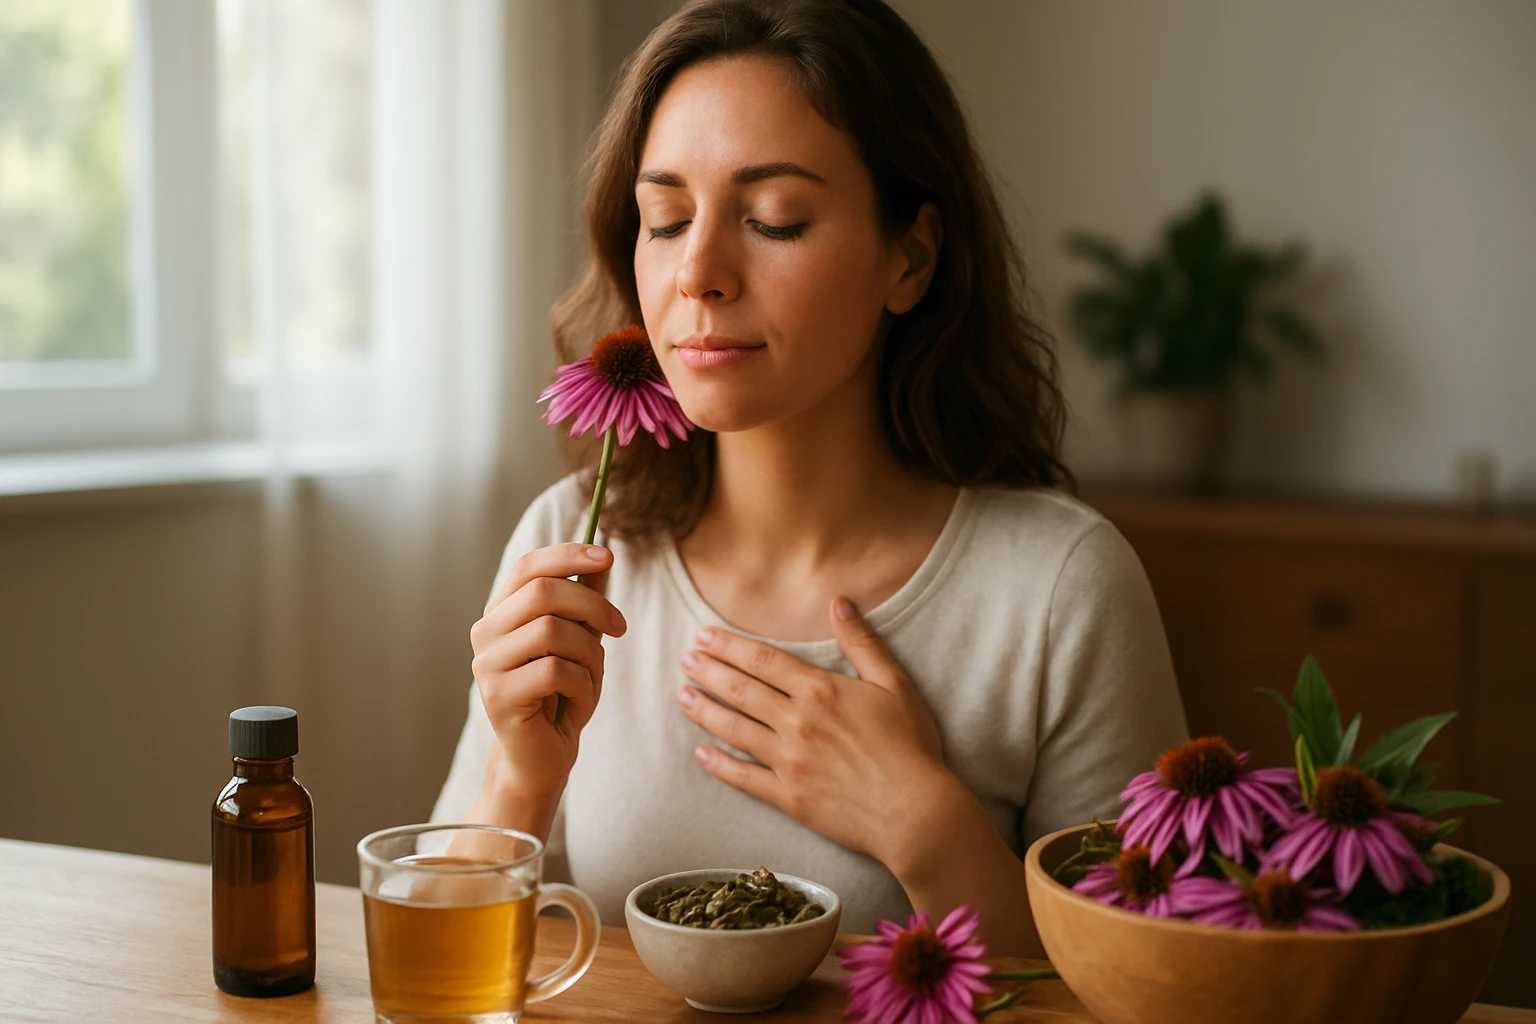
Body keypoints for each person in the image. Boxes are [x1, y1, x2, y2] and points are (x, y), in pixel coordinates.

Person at [431, 0, 1187, 956]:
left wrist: (922, 821)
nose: (697, 272)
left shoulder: (1060, 588)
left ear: (908, 258)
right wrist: (520, 782)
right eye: (665, 218)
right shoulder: (570, 547)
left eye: (774, 220)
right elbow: (441, 976)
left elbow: (1144, 988)